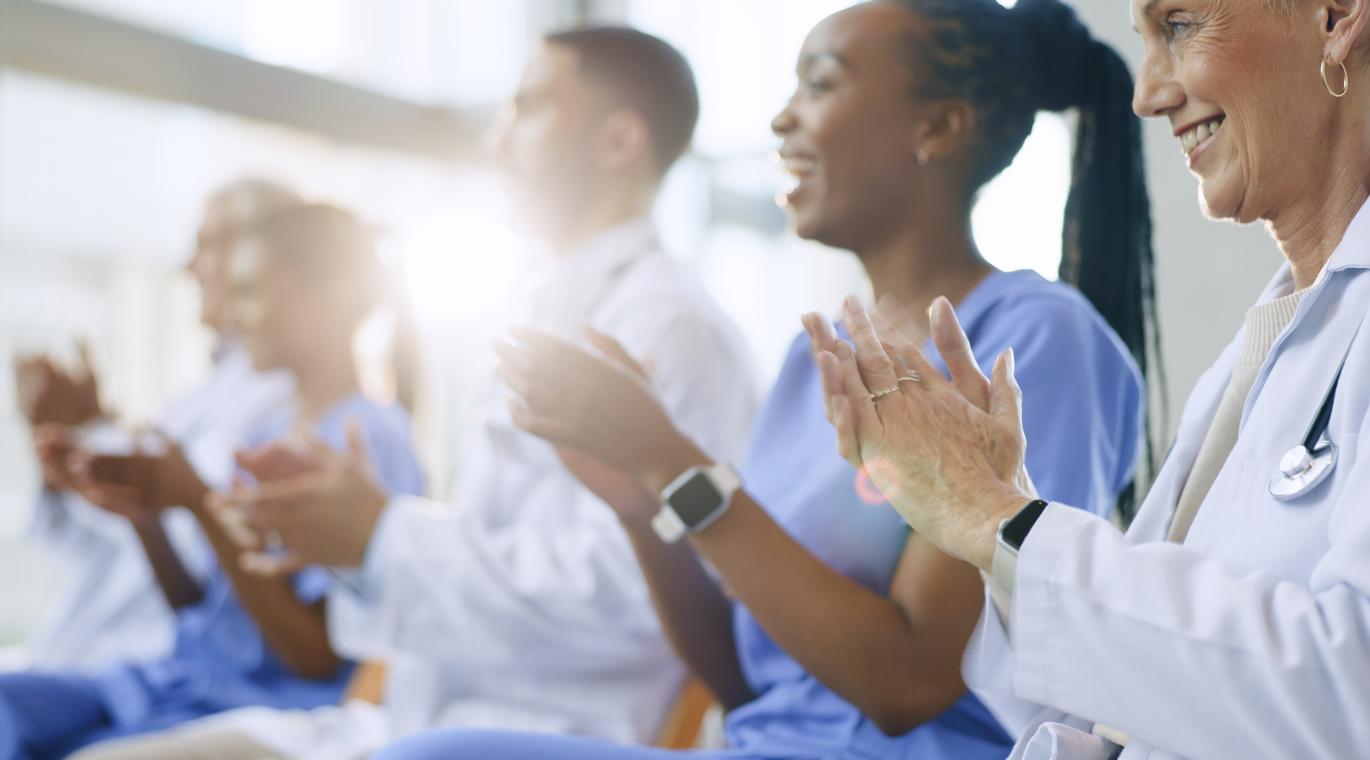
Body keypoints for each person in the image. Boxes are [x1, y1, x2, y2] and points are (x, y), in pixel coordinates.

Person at [377, 1, 1154, 758]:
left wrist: (670, 458)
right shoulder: (811, 360)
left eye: (820, 84)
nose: (783, 119)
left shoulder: (1037, 340)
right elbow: (746, 681)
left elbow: (909, 685)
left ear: (938, 127)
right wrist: (636, 500)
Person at [82, 26, 757, 760]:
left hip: (546, 728)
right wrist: (344, 536)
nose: (498, 142)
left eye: (527, 109)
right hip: (414, 714)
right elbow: (457, 575)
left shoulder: (673, 328)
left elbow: (638, 598)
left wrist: (383, 534)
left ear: (620, 141)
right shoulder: (554, 310)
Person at [795, 0, 1370, 757]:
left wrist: (994, 515)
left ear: (1334, 16)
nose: (1147, 94)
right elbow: (1114, 705)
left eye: (1179, 27)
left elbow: (1349, 696)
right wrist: (1001, 532)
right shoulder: (1260, 348)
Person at [0, 203, 426, 760]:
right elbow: (204, 609)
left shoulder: (369, 438)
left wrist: (201, 501)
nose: (236, 315)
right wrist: (149, 517)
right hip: (176, 681)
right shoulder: (271, 428)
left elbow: (314, 656)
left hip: (257, 705)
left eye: (251, 292)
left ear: (324, 299)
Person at [10, 180, 298, 670]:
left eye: (208, 244)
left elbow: (199, 561)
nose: (190, 267)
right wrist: (68, 445)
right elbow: (105, 538)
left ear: (262, 254)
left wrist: (98, 435)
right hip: (88, 645)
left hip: (156, 661)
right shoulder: (199, 398)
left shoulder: (286, 402)